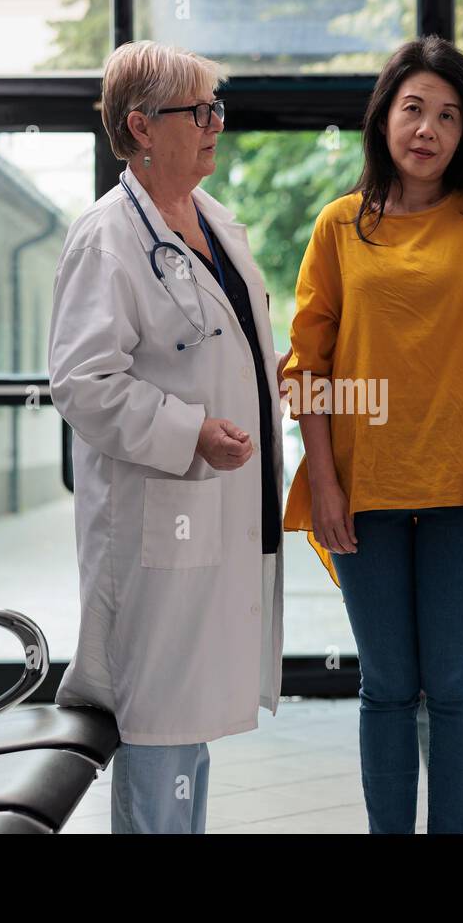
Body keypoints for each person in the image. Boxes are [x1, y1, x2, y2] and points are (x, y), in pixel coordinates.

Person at [281, 35, 463, 834]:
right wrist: (324, 482)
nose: (428, 129)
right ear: (384, 118)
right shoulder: (339, 227)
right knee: (388, 687)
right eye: (413, 109)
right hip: (362, 490)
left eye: (448, 114)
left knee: (456, 684)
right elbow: (310, 366)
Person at [47, 41, 284, 833]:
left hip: (209, 516)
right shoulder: (107, 237)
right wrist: (189, 433)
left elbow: (219, 345)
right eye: (200, 111)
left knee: (189, 728)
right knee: (156, 732)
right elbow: (83, 383)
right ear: (143, 127)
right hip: (157, 524)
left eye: (217, 108)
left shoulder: (214, 223)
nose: (216, 123)